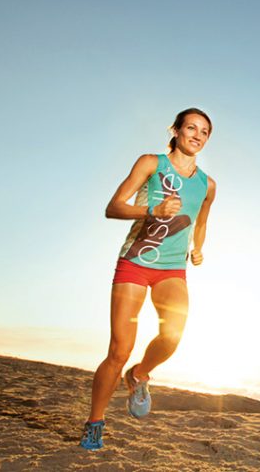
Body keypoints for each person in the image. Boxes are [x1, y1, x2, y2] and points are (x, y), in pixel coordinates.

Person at [79, 108, 218, 450]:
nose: (197, 136)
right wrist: (152, 211)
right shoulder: (151, 163)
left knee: (172, 336)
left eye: (204, 131)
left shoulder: (208, 184)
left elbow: (199, 222)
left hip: (172, 267)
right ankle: (95, 422)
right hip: (136, 261)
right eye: (191, 128)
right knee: (119, 349)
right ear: (176, 130)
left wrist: (198, 249)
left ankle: (139, 375)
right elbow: (113, 207)